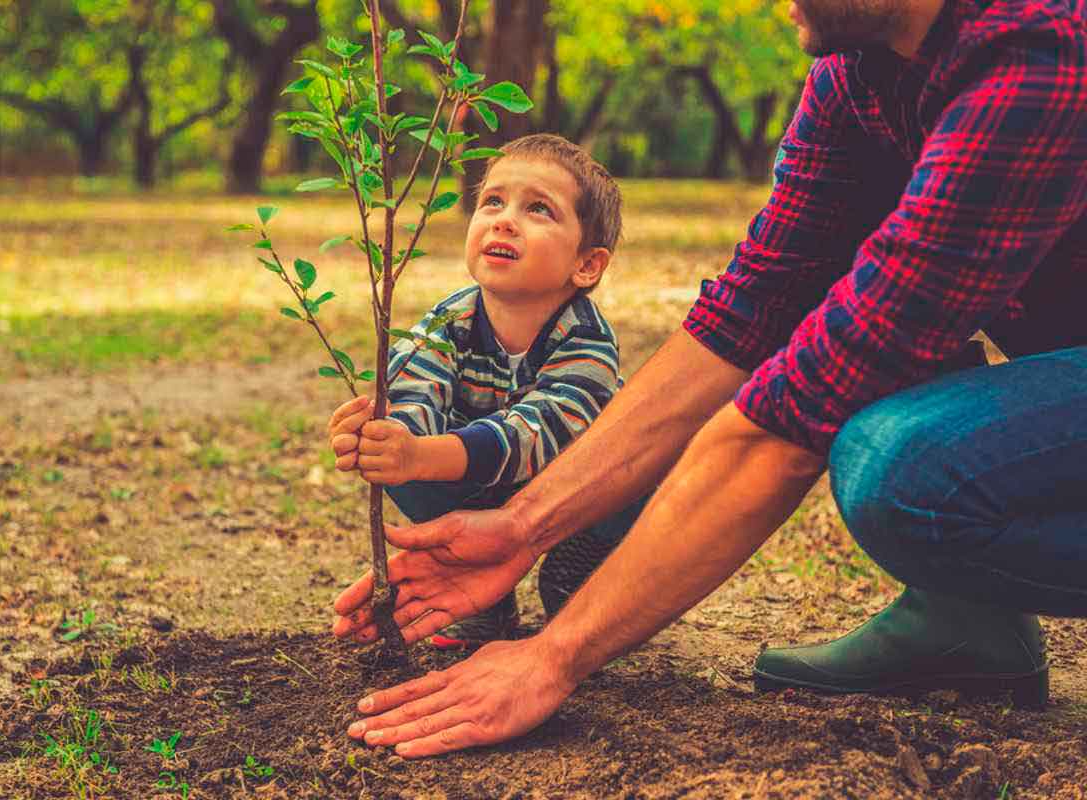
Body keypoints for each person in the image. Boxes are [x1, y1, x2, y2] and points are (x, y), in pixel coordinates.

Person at [330, 0, 1087, 758]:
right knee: (868, 338)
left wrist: (552, 655)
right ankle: (970, 621)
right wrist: (522, 526)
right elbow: (751, 311)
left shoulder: (1039, 50)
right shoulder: (855, 71)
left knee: (904, 469)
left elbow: (795, 417)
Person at [327, 133, 647, 649]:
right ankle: (485, 596)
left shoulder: (587, 338)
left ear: (586, 264)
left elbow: (539, 434)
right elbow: (414, 391)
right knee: (406, 466)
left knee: (641, 473)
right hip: (482, 484)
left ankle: (584, 570)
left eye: (538, 209)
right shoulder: (450, 319)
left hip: (576, 493)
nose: (504, 219)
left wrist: (426, 453)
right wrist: (384, 437)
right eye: (492, 201)